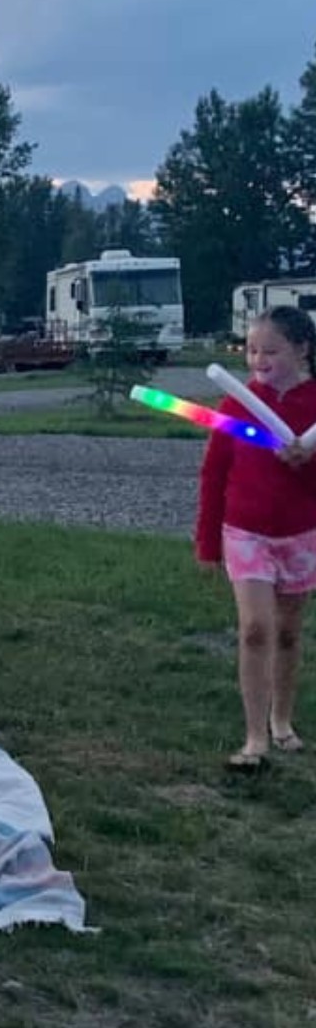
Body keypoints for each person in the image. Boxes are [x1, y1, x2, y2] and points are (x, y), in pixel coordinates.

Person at [196, 305, 316, 770]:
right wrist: (207, 542)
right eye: (251, 350)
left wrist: (306, 463)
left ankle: (281, 720)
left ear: (302, 350)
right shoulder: (238, 405)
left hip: (300, 535)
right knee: (255, 629)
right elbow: (214, 473)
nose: (258, 360)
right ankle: (254, 739)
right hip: (245, 533)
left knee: (287, 633)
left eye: (271, 350)